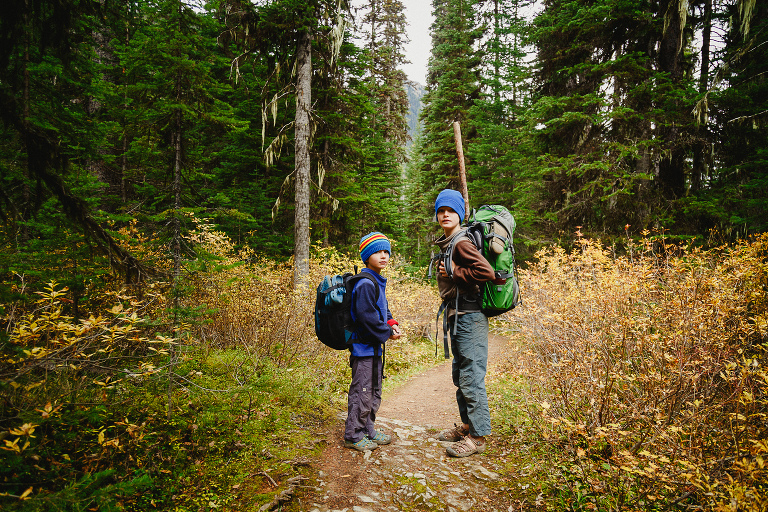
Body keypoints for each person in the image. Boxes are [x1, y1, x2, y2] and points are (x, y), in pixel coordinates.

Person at [433, 189, 496, 457]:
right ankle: (468, 426)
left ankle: (478, 438)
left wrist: (453, 271)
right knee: (461, 376)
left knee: (471, 378)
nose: (446, 214)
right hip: (458, 317)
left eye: (451, 210)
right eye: (441, 211)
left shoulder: (461, 242)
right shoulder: (450, 241)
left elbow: (486, 272)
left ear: (460, 214)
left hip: (470, 318)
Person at [344, 232, 402, 451]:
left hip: (373, 348)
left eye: (386, 251)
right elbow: (366, 315)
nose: (384, 255)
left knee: (374, 388)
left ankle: (368, 429)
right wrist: (386, 333)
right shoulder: (366, 283)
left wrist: (391, 322)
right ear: (367, 256)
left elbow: (381, 309)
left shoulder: (377, 280)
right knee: (362, 391)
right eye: (378, 251)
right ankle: (353, 435)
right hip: (363, 349)